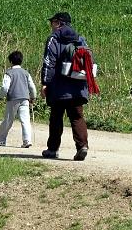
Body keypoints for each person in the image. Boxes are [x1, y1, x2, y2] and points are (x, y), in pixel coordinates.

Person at [40, 12, 94, 161]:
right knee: (77, 117)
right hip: (78, 85)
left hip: (58, 87)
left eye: (52, 22)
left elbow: (49, 63)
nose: (51, 25)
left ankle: (52, 149)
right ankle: (82, 146)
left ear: (58, 23)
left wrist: (45, 83)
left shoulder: (54, 39)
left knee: (56, 118)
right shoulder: (80, 39)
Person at [0, 50, 37, 148]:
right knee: (25, 120)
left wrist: (0, 96)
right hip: (25, 99)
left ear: (11, 61)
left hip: (13, 99)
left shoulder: (9, 73)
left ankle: (1, 139)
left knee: (8, 120)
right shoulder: (26, 73)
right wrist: (33, 97)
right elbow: (32, 87)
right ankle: (27, 140)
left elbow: (5, 88)